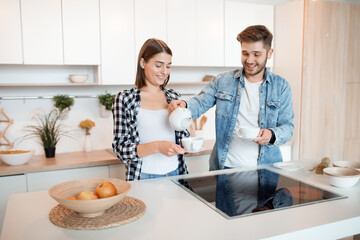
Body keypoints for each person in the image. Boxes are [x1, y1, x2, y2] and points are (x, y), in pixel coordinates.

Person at [168, 25, 294, 170]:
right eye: (245, 53)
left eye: (256, 54)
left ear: (269, 53)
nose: (250, 60)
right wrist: (184, 106)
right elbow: (199, 103)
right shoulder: (223, 81)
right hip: (225, 169)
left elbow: (288, 127)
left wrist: (271, 134)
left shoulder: (281, 86)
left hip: (266, 170)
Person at [112, 38, 189, 181]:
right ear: (143, 63)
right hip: (143, 176)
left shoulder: (174, 97)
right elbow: (121, 149)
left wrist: (183, 118)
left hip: (176, 173)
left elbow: (184, 137)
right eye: (159, 65)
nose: (164, 72)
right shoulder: (125, 99)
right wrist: (158, 147)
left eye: (168, 66)